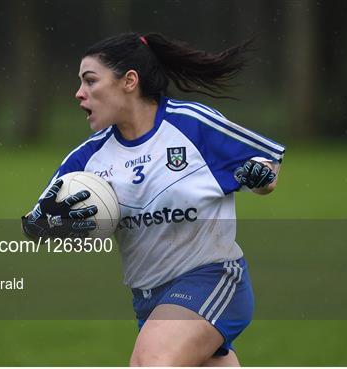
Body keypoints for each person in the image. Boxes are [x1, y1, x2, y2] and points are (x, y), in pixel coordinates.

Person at [22, 32, 285, 366]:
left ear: (129, 81)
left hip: (212, 278)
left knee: (150, 362)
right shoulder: (87, 159)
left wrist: (259, 177)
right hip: (148, 301)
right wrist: (48, 223)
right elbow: (35, 224)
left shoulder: (191, 126)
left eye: (90, 81)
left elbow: (266, 165)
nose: (79, 93)